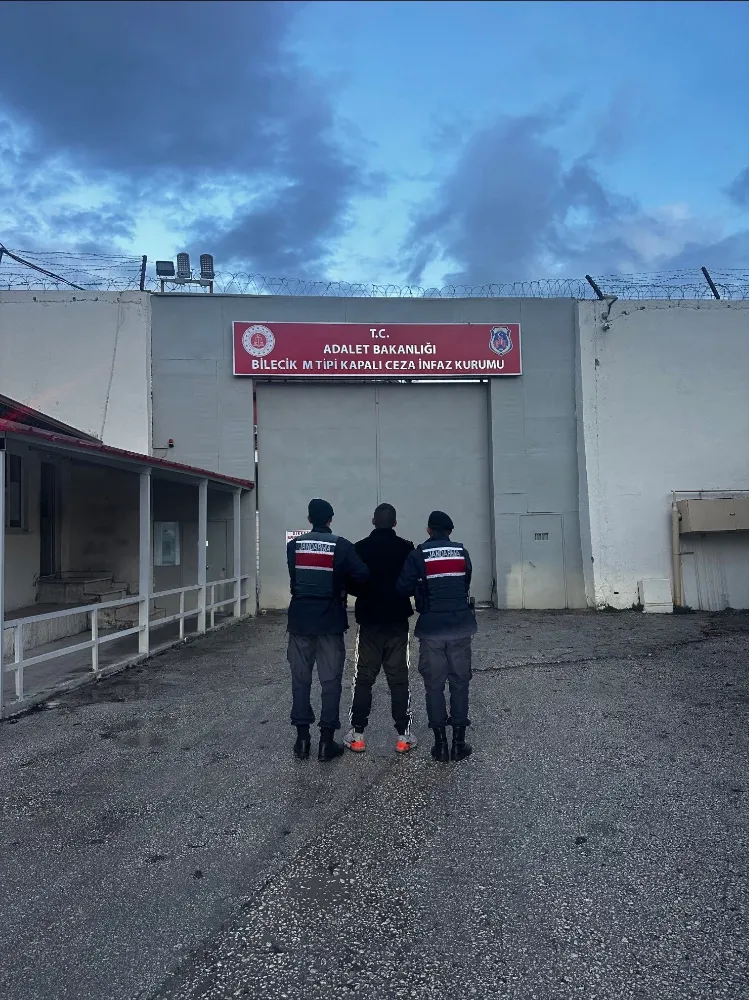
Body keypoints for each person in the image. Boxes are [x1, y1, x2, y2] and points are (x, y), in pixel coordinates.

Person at [286, 498, 370, 762]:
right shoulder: (341, 545)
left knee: (300, 681)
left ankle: (302, 741)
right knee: (330, 682)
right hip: (330, 621)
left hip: (300, 620)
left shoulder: (293, 546)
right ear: (330, 519)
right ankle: (326, 742)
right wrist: (341, 581)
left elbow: (295, 578)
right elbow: (363, 575)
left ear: (309, 519)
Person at [396, 510, 477, 762]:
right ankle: (459, 744)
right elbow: (465, 583)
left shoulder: (418, 554)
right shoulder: (461, 552)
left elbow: (402, 588)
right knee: (460, 684)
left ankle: (440, 745)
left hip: (431, 628)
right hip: (460, 626)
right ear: (450, 531)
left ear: (429, 530)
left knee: (434, 686)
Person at [343, 503, 417, 755]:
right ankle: (403, 736)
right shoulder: (406, 548)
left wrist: (366, 593)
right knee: (399, 678)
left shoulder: (360, 548)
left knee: (364, 677)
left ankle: (358, 735)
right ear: (395, 523)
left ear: (373, 521)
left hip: (370, 621)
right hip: (397, 621)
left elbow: (351, 583)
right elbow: (412, 582)